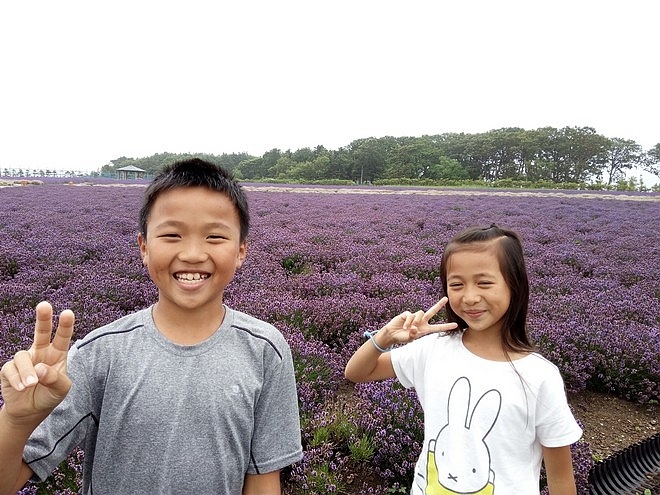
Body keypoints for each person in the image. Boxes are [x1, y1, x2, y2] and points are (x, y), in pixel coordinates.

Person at [0, 158, 303, 495]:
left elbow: (262, 483)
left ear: (241, 251)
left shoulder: (266, 351)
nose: (191, 253)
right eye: (172, 235)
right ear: (144, 247)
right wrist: (16, 420)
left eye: (215, 237)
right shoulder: (99, 354)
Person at [345, 225, 582, 495]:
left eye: (484, 283)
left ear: (514, 285)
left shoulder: (539, 376)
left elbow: (561, 477)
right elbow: (357, 372)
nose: (469, 297)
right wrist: (386, 336)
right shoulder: (433, 349)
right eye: (456, 284)